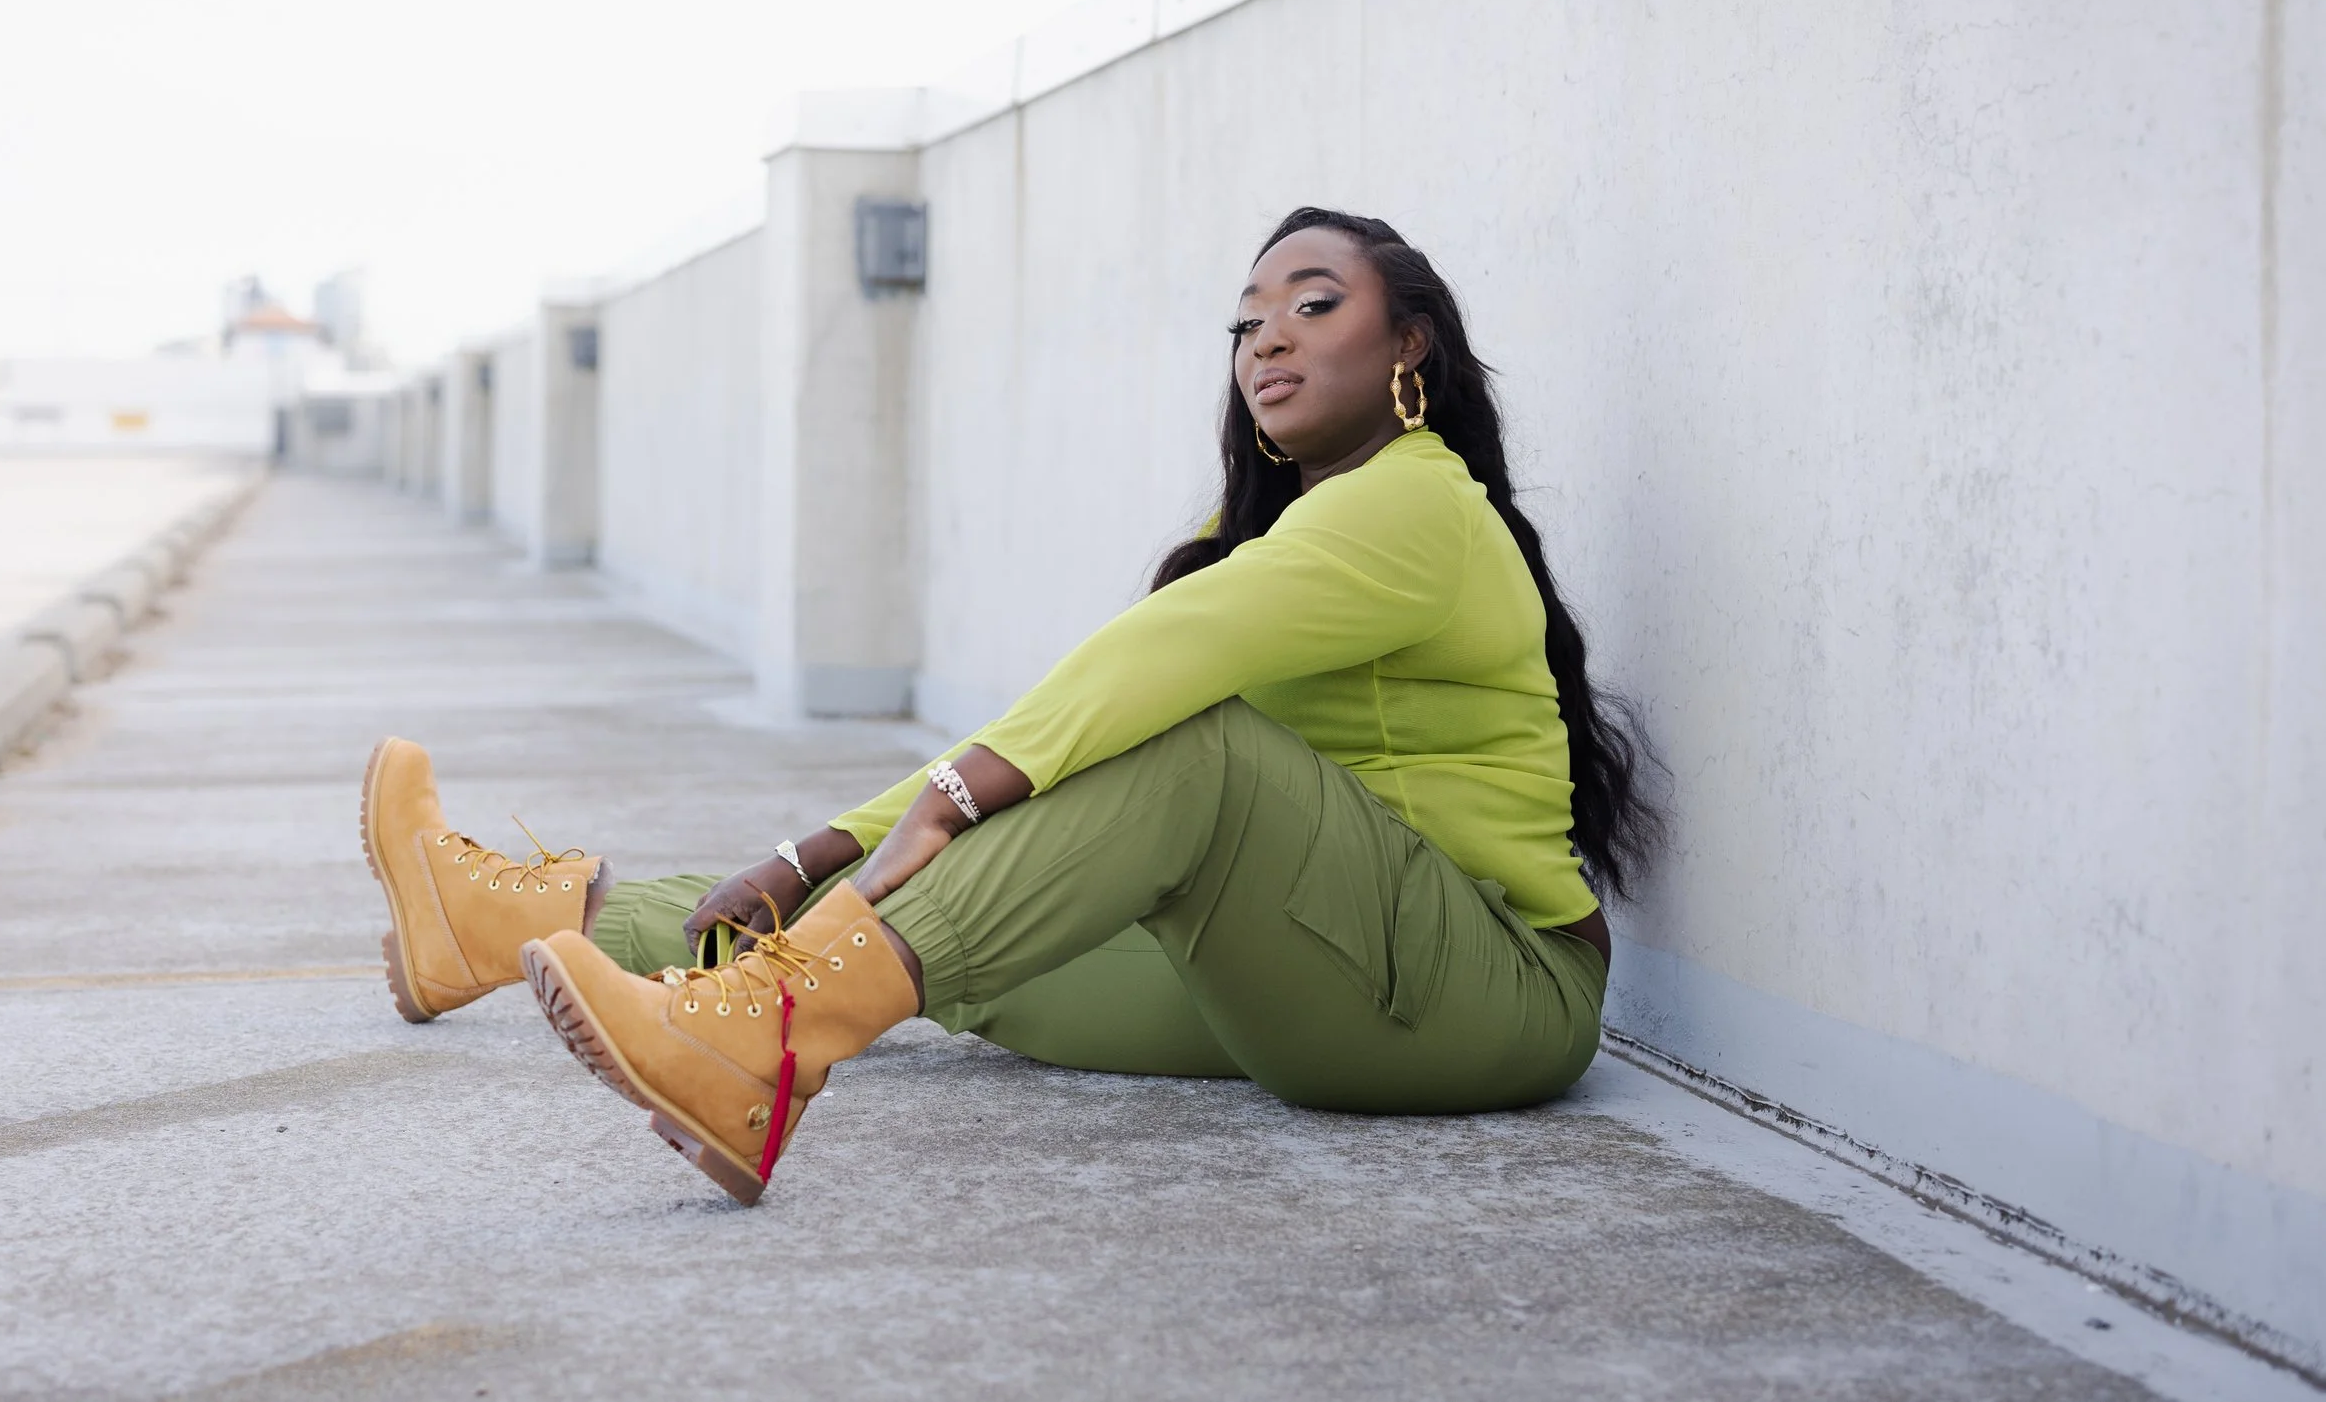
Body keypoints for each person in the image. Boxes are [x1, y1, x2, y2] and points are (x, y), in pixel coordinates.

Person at [359, 206, 1664, 1205]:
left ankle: (758, 1040)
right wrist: (827, 849)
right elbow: (1087, 708)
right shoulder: (1292, 525)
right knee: (973, 921)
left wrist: (945, 798)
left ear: (1409, 343)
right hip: (1325, 967)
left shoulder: (1416, 502)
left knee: (1184, 751)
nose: (1267, 337)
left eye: (1313, 305)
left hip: (1488, 995)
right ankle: (497, 923)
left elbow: (1156, 667)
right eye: (1248, 322)